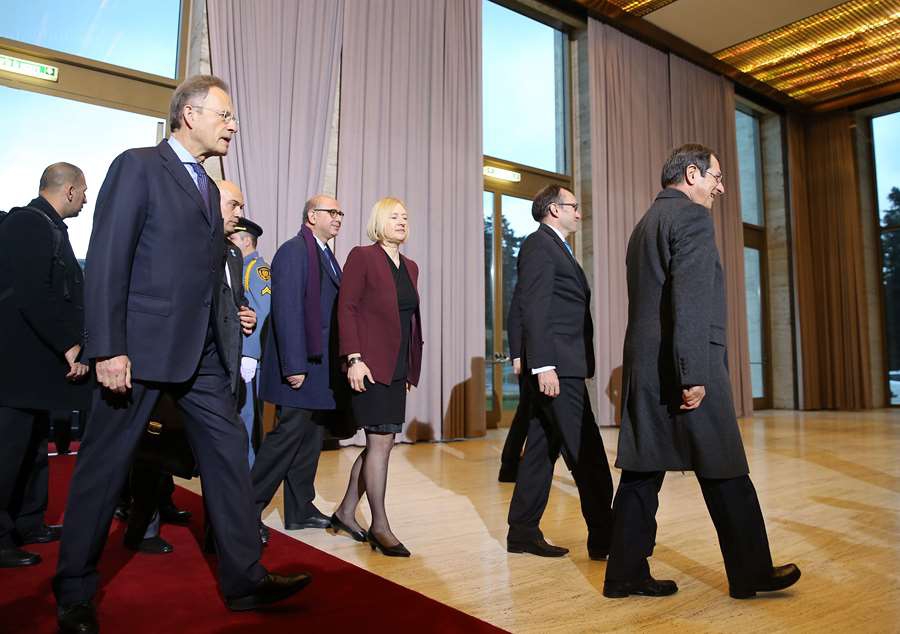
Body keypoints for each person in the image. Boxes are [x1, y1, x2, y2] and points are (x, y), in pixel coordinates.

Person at [53, 75, 310, 634]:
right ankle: (74, 592)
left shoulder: (208, 187)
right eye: (225, 115)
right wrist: (109, 347)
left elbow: (208, 277)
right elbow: (108, 259)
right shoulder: (139, 166)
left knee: (229, 455)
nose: (233, 126)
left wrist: (233, 326)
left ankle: (245, 579)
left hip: (203, 357)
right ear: (189, 115)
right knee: (104, 467)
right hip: (138, 352)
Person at [603, 144, 800, 599]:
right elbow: (689, 302)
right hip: (685, 366)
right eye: (716, 177)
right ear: (692, 174)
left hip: (647, 368)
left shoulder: (645, 224)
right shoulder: (690, 218)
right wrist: (693, 374)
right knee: (725, 467)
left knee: (642, 472)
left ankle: (623, 574)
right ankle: (752, 573)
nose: (721, 188)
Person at [123, 179, 257, 555]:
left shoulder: (234, 254)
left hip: (219, 370)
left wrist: (244, 314)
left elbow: (231, 301)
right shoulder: (185, 244)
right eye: (233, 205)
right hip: (172, 368)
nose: (240, 214)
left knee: (221, 454)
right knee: (155, 449)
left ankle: (222, 538)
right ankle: (142, 527)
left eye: (241, 207)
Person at [505, 185, 614, 560]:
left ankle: (522, 531)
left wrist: (526, 356)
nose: (579, 213)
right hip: (557, 368)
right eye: (573, 206)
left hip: (559, 364)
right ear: (554, 209)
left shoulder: (555, 247)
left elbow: (524, 304)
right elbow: (533, 307)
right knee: (588, 453)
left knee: (540, 450)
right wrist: (543, 365)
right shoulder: (540, 245)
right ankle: (605, 539)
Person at [0, 163, 91, 568]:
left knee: (33, 448)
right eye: (84, 191)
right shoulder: (28, 223)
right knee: (7, 453)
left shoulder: (49, 226)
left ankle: (28, 522)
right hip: (15, 369)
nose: (86, 199)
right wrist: (68, 344)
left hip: (34, 369)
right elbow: (32, 293)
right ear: (69, 190)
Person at [332, 197, 422, 557]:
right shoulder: (362, 256)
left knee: (380, 443)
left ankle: (344, 512)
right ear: (378, 221)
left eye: (405, 217)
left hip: (397, 367)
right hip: (369, 365)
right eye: (394, 216)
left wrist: (409, 368)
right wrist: (354, 359)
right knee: (381, 442)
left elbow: (408, 322)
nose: (401, 221)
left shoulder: (411, 266)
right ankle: (380, 526)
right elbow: (347, 308)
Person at [254, 195, 345, 536]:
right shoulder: (294, 251)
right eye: (331, 212)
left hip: (319, 369)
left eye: (340, 213)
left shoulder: (325, 254)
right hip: (300, 366)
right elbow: (287, 311)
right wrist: (294, 366)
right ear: (311, 216)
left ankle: (300, 509)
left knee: (310, 438)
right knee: (286, 438)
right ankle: (244, 510)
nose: (338, 217)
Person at [230, 216, 271, 466]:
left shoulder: (256, 269)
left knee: (247, 415)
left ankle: (248, 470)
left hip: (248, 357)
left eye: (233, 238)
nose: (229, 242)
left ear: (247, 241)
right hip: (237, 353)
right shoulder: (237, 267)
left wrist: (251, 354)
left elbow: (263, 312)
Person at [498, 286, 527, 482]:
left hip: (550, 359)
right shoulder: (531, 277)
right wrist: (517, 356)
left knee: (527, 414)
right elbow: (514, 318)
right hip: (530, 360)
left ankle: (509, 466)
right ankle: (509, 465)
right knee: (526, 413)